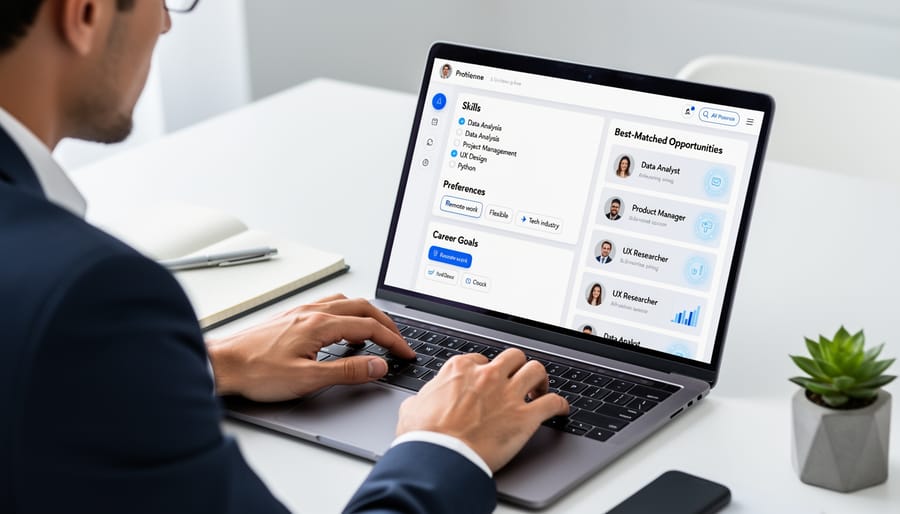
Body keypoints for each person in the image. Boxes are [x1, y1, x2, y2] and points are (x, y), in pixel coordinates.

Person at [0, 2, 567, 513]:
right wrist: (447, 445)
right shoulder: (88, 294)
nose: (168, 23)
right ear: (86, 13)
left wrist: (208, 365)